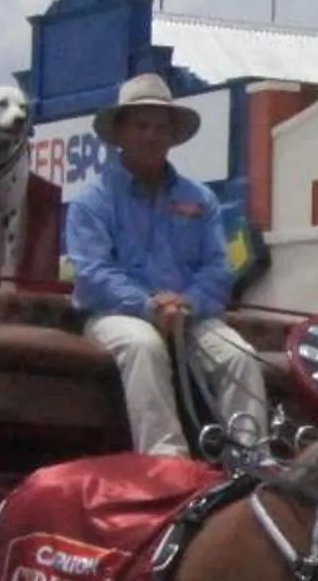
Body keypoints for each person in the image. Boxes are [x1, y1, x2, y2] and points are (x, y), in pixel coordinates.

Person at [65, 73, 267, 458]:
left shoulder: (200, 198)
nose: (152, 135)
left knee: (239, 355)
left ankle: (251, 460)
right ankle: (165, 460)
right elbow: (93, 273)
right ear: (120, 133)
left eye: (161, 127)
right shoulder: (92, 201)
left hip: (189, 314)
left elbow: (217, 269)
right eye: (141, 125)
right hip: (115, 314)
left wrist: (185, 303)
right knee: (144, 346)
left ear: (173, 137)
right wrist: (150, 305)